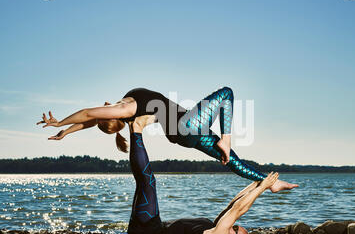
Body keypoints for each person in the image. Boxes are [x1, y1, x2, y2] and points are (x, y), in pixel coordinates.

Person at [37, 87, 275, 182]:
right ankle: (227, 137)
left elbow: (89, 120)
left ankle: (267, 182)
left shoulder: (123, 112)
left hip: (185, 135)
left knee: (230, 160)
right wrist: (61, 122)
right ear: (112, 117)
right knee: (226, 94)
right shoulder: (125, 109)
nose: (103, 106)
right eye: (104, 111)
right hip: (187, 125)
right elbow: (88, 114)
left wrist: (65, 132)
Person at [126, 119, 298, 234]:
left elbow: (238, 210)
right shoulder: (214, 227)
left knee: (148, 182)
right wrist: (262, 182)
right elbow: (234, 204)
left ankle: (136, 127)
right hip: (152, 227)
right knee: (146, 183)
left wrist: (262, 188)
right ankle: (132, 125)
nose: (233, 224)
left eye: (235, 228)